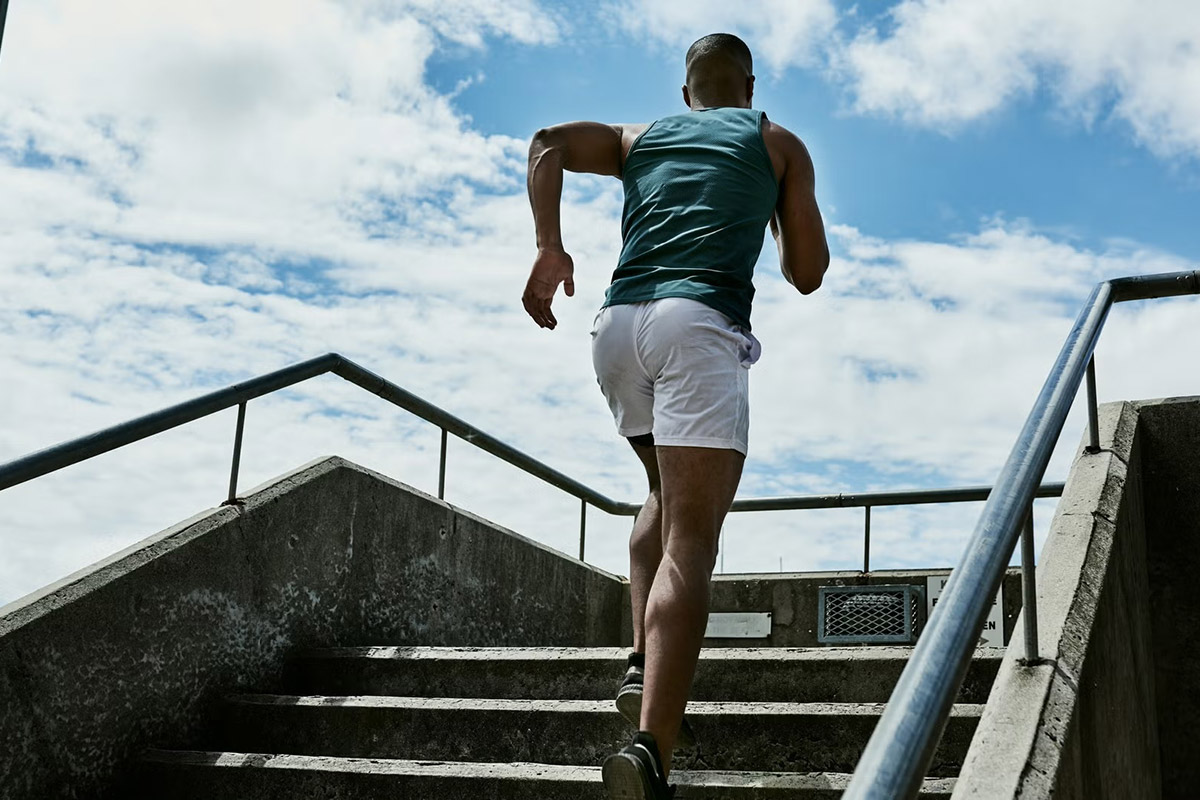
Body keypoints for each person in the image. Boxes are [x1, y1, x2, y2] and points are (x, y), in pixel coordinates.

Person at [521, 32, 829, 800]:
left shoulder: (639, 138)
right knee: (692, 538)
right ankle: (650, 750)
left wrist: (550, 247)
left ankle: (639, 660)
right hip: (698, 325)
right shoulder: (777, 142)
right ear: (749, 87)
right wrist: (774, 208)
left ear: (686, 93)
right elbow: (807, 273)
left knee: (661, 490)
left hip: (618, 328)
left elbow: (546, 142)